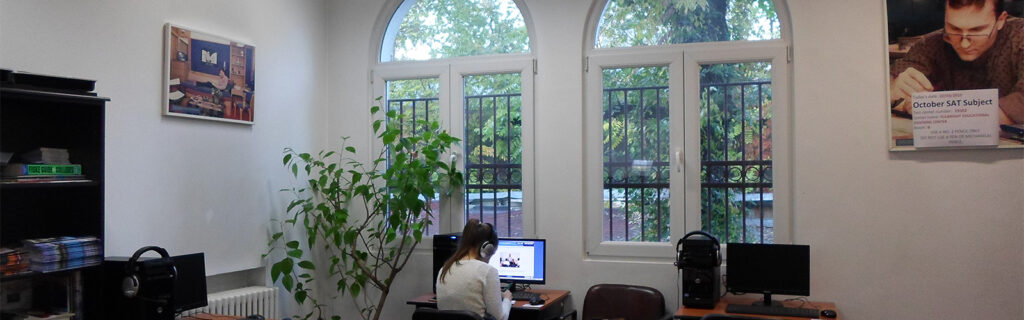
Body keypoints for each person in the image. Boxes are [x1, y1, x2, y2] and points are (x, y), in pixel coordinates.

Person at [890, 0, 1024, 125]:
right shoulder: (932, 43)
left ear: (1001, 20)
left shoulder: (1020, 39)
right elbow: (889, 84)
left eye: (977, 30)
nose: (964, 44)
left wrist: (939, 112)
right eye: (954, 29)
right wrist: (892, 89)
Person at [436, 219, 513, 320]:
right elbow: (500, 318)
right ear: (487, 248)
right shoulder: (488, 271)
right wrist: (507, 299)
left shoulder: (444, 269)